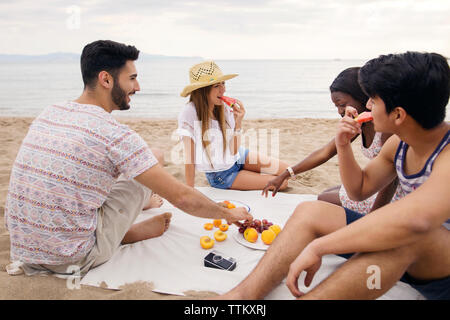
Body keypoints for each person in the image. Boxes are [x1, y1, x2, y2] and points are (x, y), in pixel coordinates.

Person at [4, 40, 252, 277]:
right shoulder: (114, 133)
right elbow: (182, 196)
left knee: (148, 157)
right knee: (149, 163)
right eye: (132, 78)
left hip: (26, 250)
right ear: (106, 79)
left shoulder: (50, 112)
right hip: (73, 257)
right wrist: (227, 213)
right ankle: (123, 235)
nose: (138, 87)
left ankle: (125, 220)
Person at [220, 51, 450, 300]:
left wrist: (320, 246)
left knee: (406, 237)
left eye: (373, 99)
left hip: (439, 264)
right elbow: (359, 189)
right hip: (411, 244)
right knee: (310, 211)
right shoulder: (398, 145)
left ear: (398, 114)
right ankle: (241, 296)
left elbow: (416, 221)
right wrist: (342, 145)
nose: (368, 105)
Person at [262, 67, 404, 214]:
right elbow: (325, 152)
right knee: (331, 190)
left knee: (323, 197)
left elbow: (392, 179)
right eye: (337, 106)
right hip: (377, 183)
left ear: (363, 97)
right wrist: (286, 174)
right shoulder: (359, 123)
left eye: (342, 105)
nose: (340, 112)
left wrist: (373, 217)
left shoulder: (385, 128)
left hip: (391, 195)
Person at [178, 60, 289, 190]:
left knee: (287, 171)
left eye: (223, 84)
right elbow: (189, 159)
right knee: (282, 183)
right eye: (216, 86)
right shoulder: (189, 113)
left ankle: (251, 175)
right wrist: (190, 191)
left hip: (238, 156)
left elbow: (234, 150)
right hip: (222, 174)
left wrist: (238, 122)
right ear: (202, 90)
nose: (223, 90)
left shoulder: (223, 107)